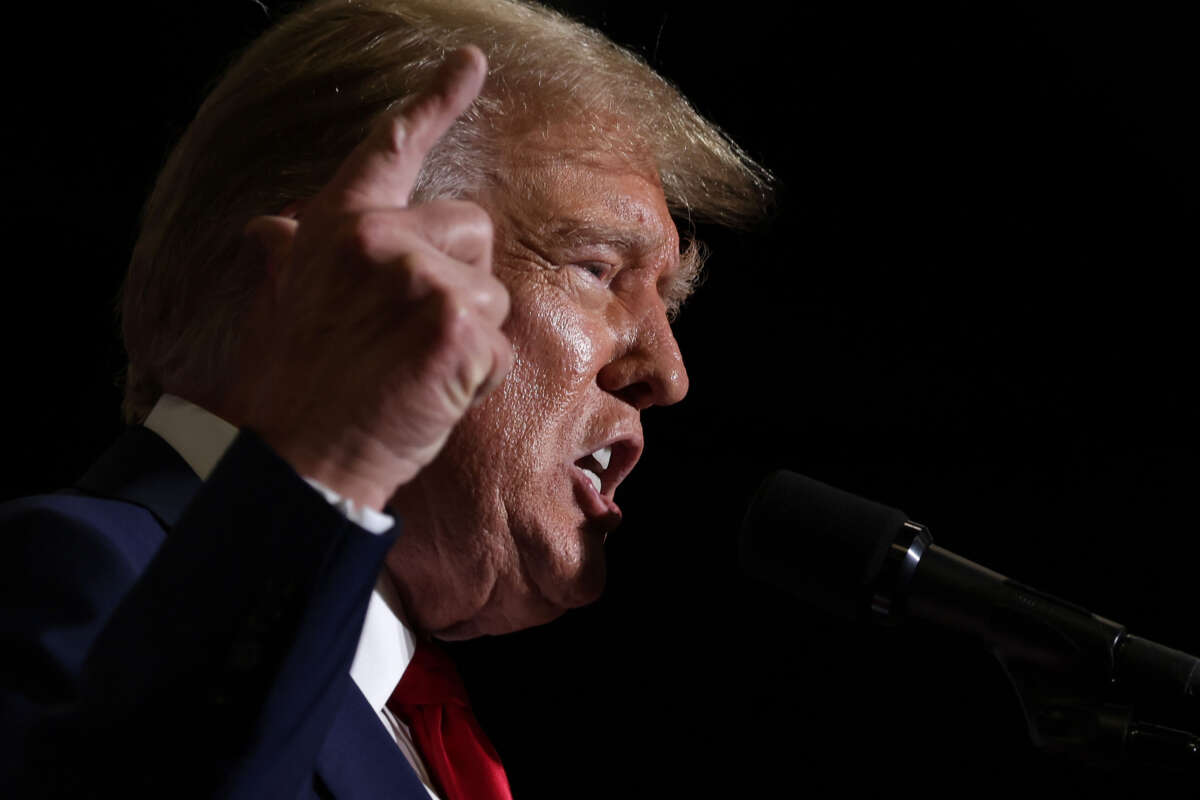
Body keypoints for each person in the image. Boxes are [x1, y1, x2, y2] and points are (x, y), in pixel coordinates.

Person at [0, 0, 768, 796]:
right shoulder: (71, 577)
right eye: (598, 269)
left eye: (666, 303)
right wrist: (328, 460)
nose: (667, 372)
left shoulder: (417, 717)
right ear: (325, 280)